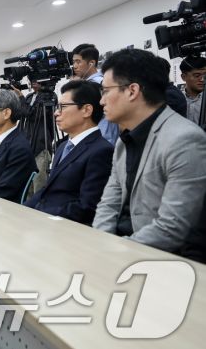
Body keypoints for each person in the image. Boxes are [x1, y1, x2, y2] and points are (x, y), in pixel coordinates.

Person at [92, 49, 206, 253]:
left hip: (163, 258)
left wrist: (113, 251)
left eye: (106, 91)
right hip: (120, 248)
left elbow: (171, 228)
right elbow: (108, 204)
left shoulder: (185, 139)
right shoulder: (124, 140)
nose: (101, 101)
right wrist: (100, 242)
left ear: (132, 91)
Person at [25, 81, 114, 224]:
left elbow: (87, 206)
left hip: (66, 229)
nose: (56, 112)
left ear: (86, 110)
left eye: (63, 107)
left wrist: (42, 215)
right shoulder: (63, 146)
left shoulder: (102, 151)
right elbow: (47, 190)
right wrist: (22, 210)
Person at [14, 81, 57, 193]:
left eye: (37, 80)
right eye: (31, 80)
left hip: (41, 146)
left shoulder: (50, 96)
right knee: (26, 186)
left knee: (39, 184)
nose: (33, 83)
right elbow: (20, 113)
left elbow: (31, 113)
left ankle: (37, 209)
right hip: (27, 144)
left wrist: (20, 97)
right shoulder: (29, 96)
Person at [72, 43, 119, 145]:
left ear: (91, 63)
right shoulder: (88, 84)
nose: (74, 66)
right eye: (73, 62)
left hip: (103, 137)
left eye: (78, 62)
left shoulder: (99, 83)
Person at [179, 55, 205, 126]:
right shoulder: (176, 100)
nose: (202, 79)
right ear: (183, 77)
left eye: (205, 76)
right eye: (197, 76)